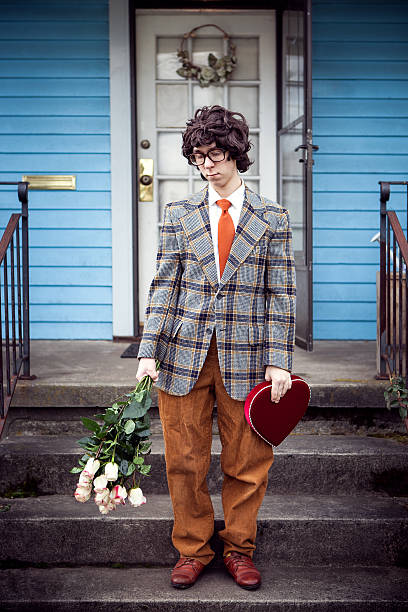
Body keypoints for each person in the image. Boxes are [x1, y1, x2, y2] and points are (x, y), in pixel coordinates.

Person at [136, 105, 296, 590]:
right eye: (199, 156)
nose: (207, 164)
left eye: (217, 154)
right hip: (182, 354)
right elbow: (163, 286)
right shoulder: (178, 214)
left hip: (247, 359)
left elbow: (281, 293)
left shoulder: (272, 217)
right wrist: (148, 351)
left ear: (237, 154)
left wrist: (279, 359)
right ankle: (192, 549)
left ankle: (240, 549)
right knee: (183, 459)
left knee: (247, 461)